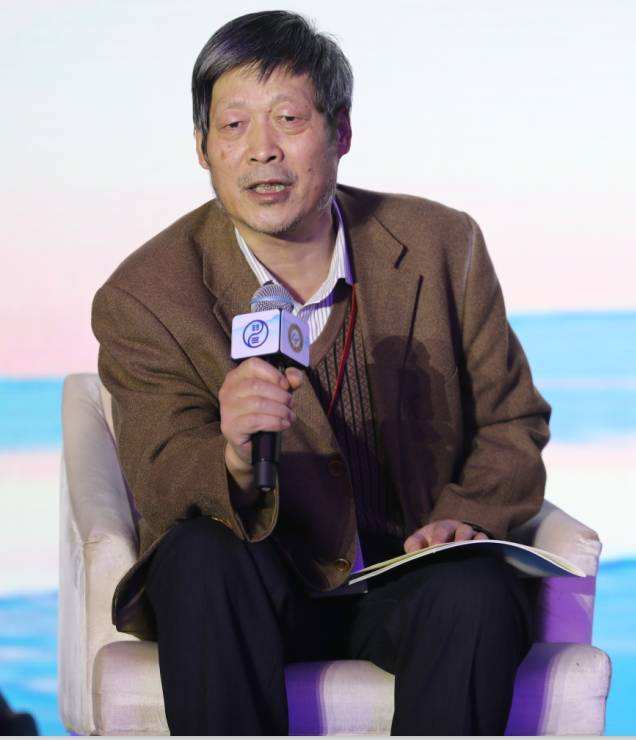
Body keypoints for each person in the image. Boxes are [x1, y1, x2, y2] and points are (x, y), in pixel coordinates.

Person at [91, 10, 551, 735]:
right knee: (199, 555)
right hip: (257, 588)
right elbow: (159, 474)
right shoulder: (145, 296)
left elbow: (511, 419)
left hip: (407, 580)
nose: (262, 151)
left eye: (289, 119)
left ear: (341, 132)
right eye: (233, 125)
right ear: (202, 148)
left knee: (475, 588)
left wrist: (467, 516)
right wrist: (231, 455)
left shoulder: (440, 244)